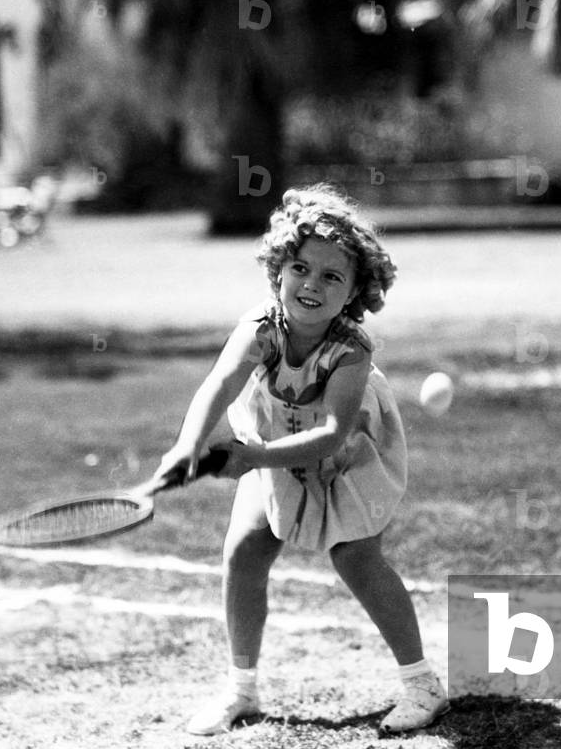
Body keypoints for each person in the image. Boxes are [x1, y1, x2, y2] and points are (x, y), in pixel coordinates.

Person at [148, 184, 448, 736]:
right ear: (278, 269)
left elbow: (332, 434)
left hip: (347, 457)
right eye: (301, 268)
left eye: (332, 277)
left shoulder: (351, 351)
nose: (312, 284)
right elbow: (219, 384)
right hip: (271, 444)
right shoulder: (259, 330)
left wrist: (254, 457)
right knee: (244, 550)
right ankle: (241, 690)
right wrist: (187, 445)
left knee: (356, 559)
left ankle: (423, 684)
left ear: (355, 291)